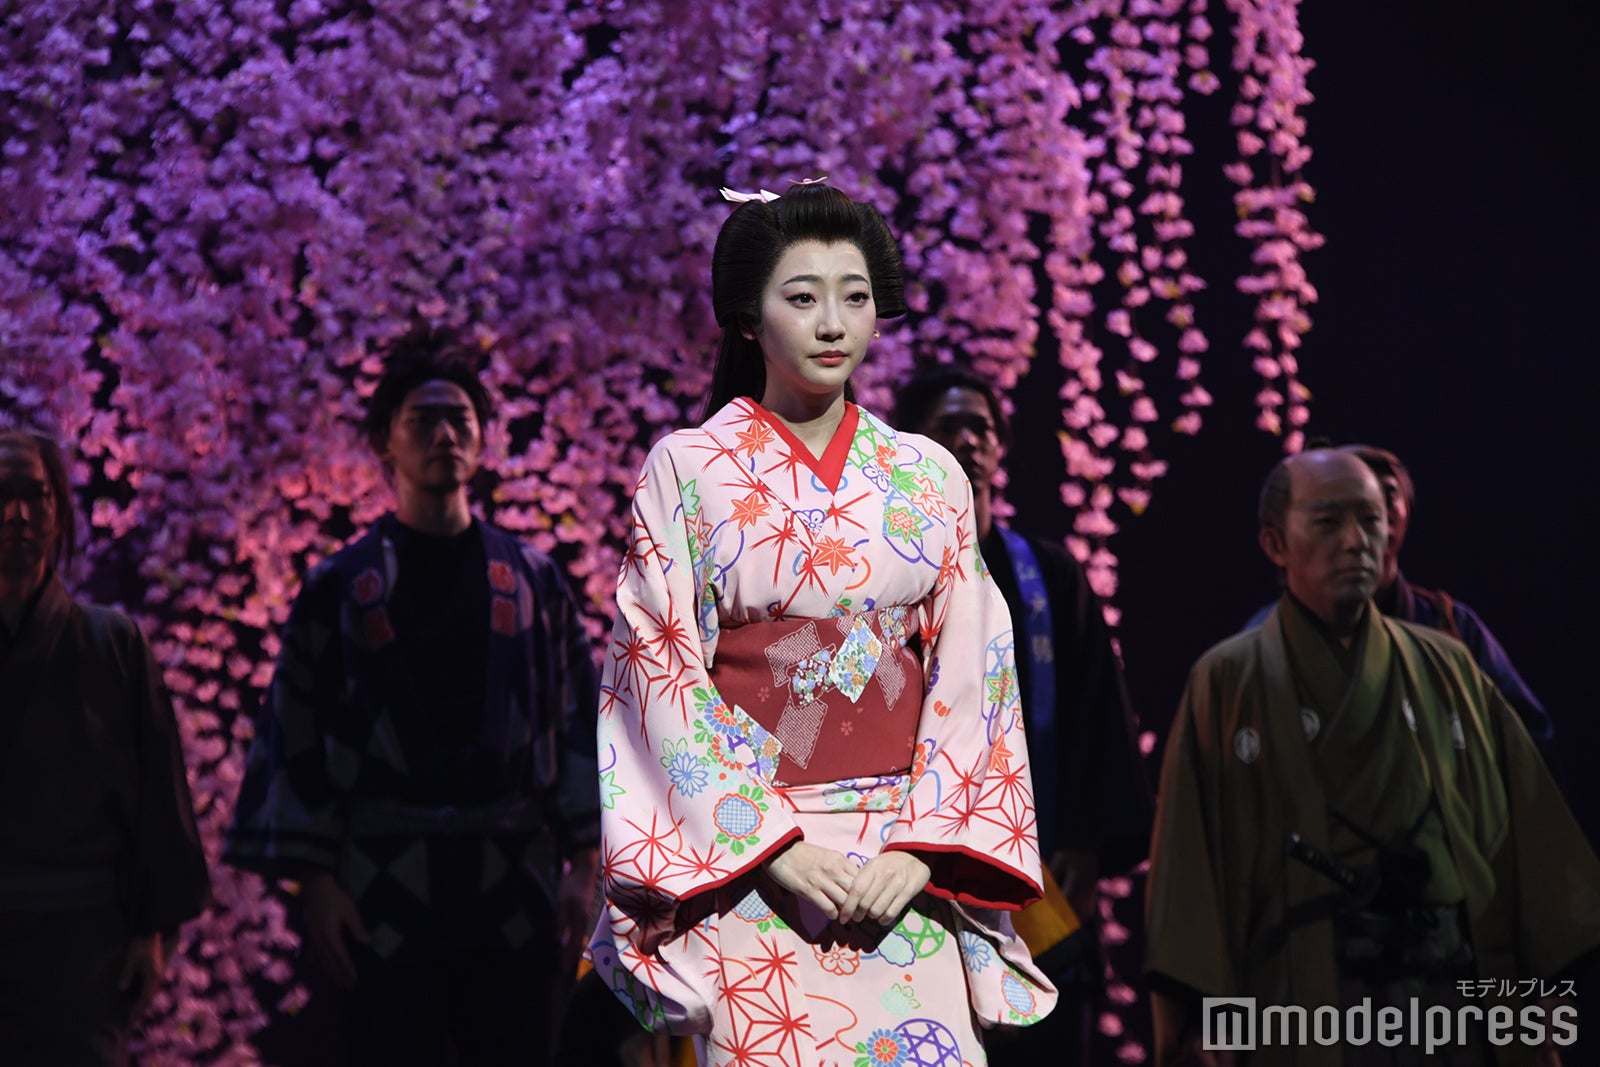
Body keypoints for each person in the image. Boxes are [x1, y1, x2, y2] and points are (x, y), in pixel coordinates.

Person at [587, 181, 1056, 1067]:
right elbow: (658, 669)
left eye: (855, 296)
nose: (833, 322)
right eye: (802, 297)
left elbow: (973, 671)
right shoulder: (689, 468)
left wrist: (923, 849)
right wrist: (768, 847)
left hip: (902, 860)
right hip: (758, 866)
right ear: (748, 317)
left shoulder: (928, 474)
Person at [1146, 448, 1600, 1067]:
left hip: (1445, 995)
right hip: (1298, 996)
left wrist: (1534, 1006)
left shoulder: (1448, 663)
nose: (1357, 541)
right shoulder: (1229, 677)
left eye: (1372, 520)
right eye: (1329, 522)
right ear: (1275, 544)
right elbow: (1190, 867)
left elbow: (1527, 838)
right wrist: (1198, 1021)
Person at [224, 334, 601, 1066]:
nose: (444, 435)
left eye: (460, 419)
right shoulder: (338, 587)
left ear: (483, 440)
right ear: (384, 443)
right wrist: (317, 884)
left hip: (514, 879)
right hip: (380, 888)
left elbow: (579, 723)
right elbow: (296, 730)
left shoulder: (533, 580)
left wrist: (584, 867)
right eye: (423, 420)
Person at [893, 366, 1153, 1065]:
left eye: (982, 427)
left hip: (1041, 874)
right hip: (912, 872)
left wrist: (1088, 852)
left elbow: (1097, 719)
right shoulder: (881, 575)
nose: (970, 441)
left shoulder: (1048, 576)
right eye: (949, 427)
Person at [0, 428, 210, 1066]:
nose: (18, 514)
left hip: (83, 946)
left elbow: (158, 799)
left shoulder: (112, 644)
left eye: (36, 495)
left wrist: (152, 929)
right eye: (1, 495)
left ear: (59, 510)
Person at [1244, 443, 1554, 755]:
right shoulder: (1264, 637)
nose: (1356, 535)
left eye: (1383, 498)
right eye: (1333, 516)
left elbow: (1527, 741)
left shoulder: (1449, 625)